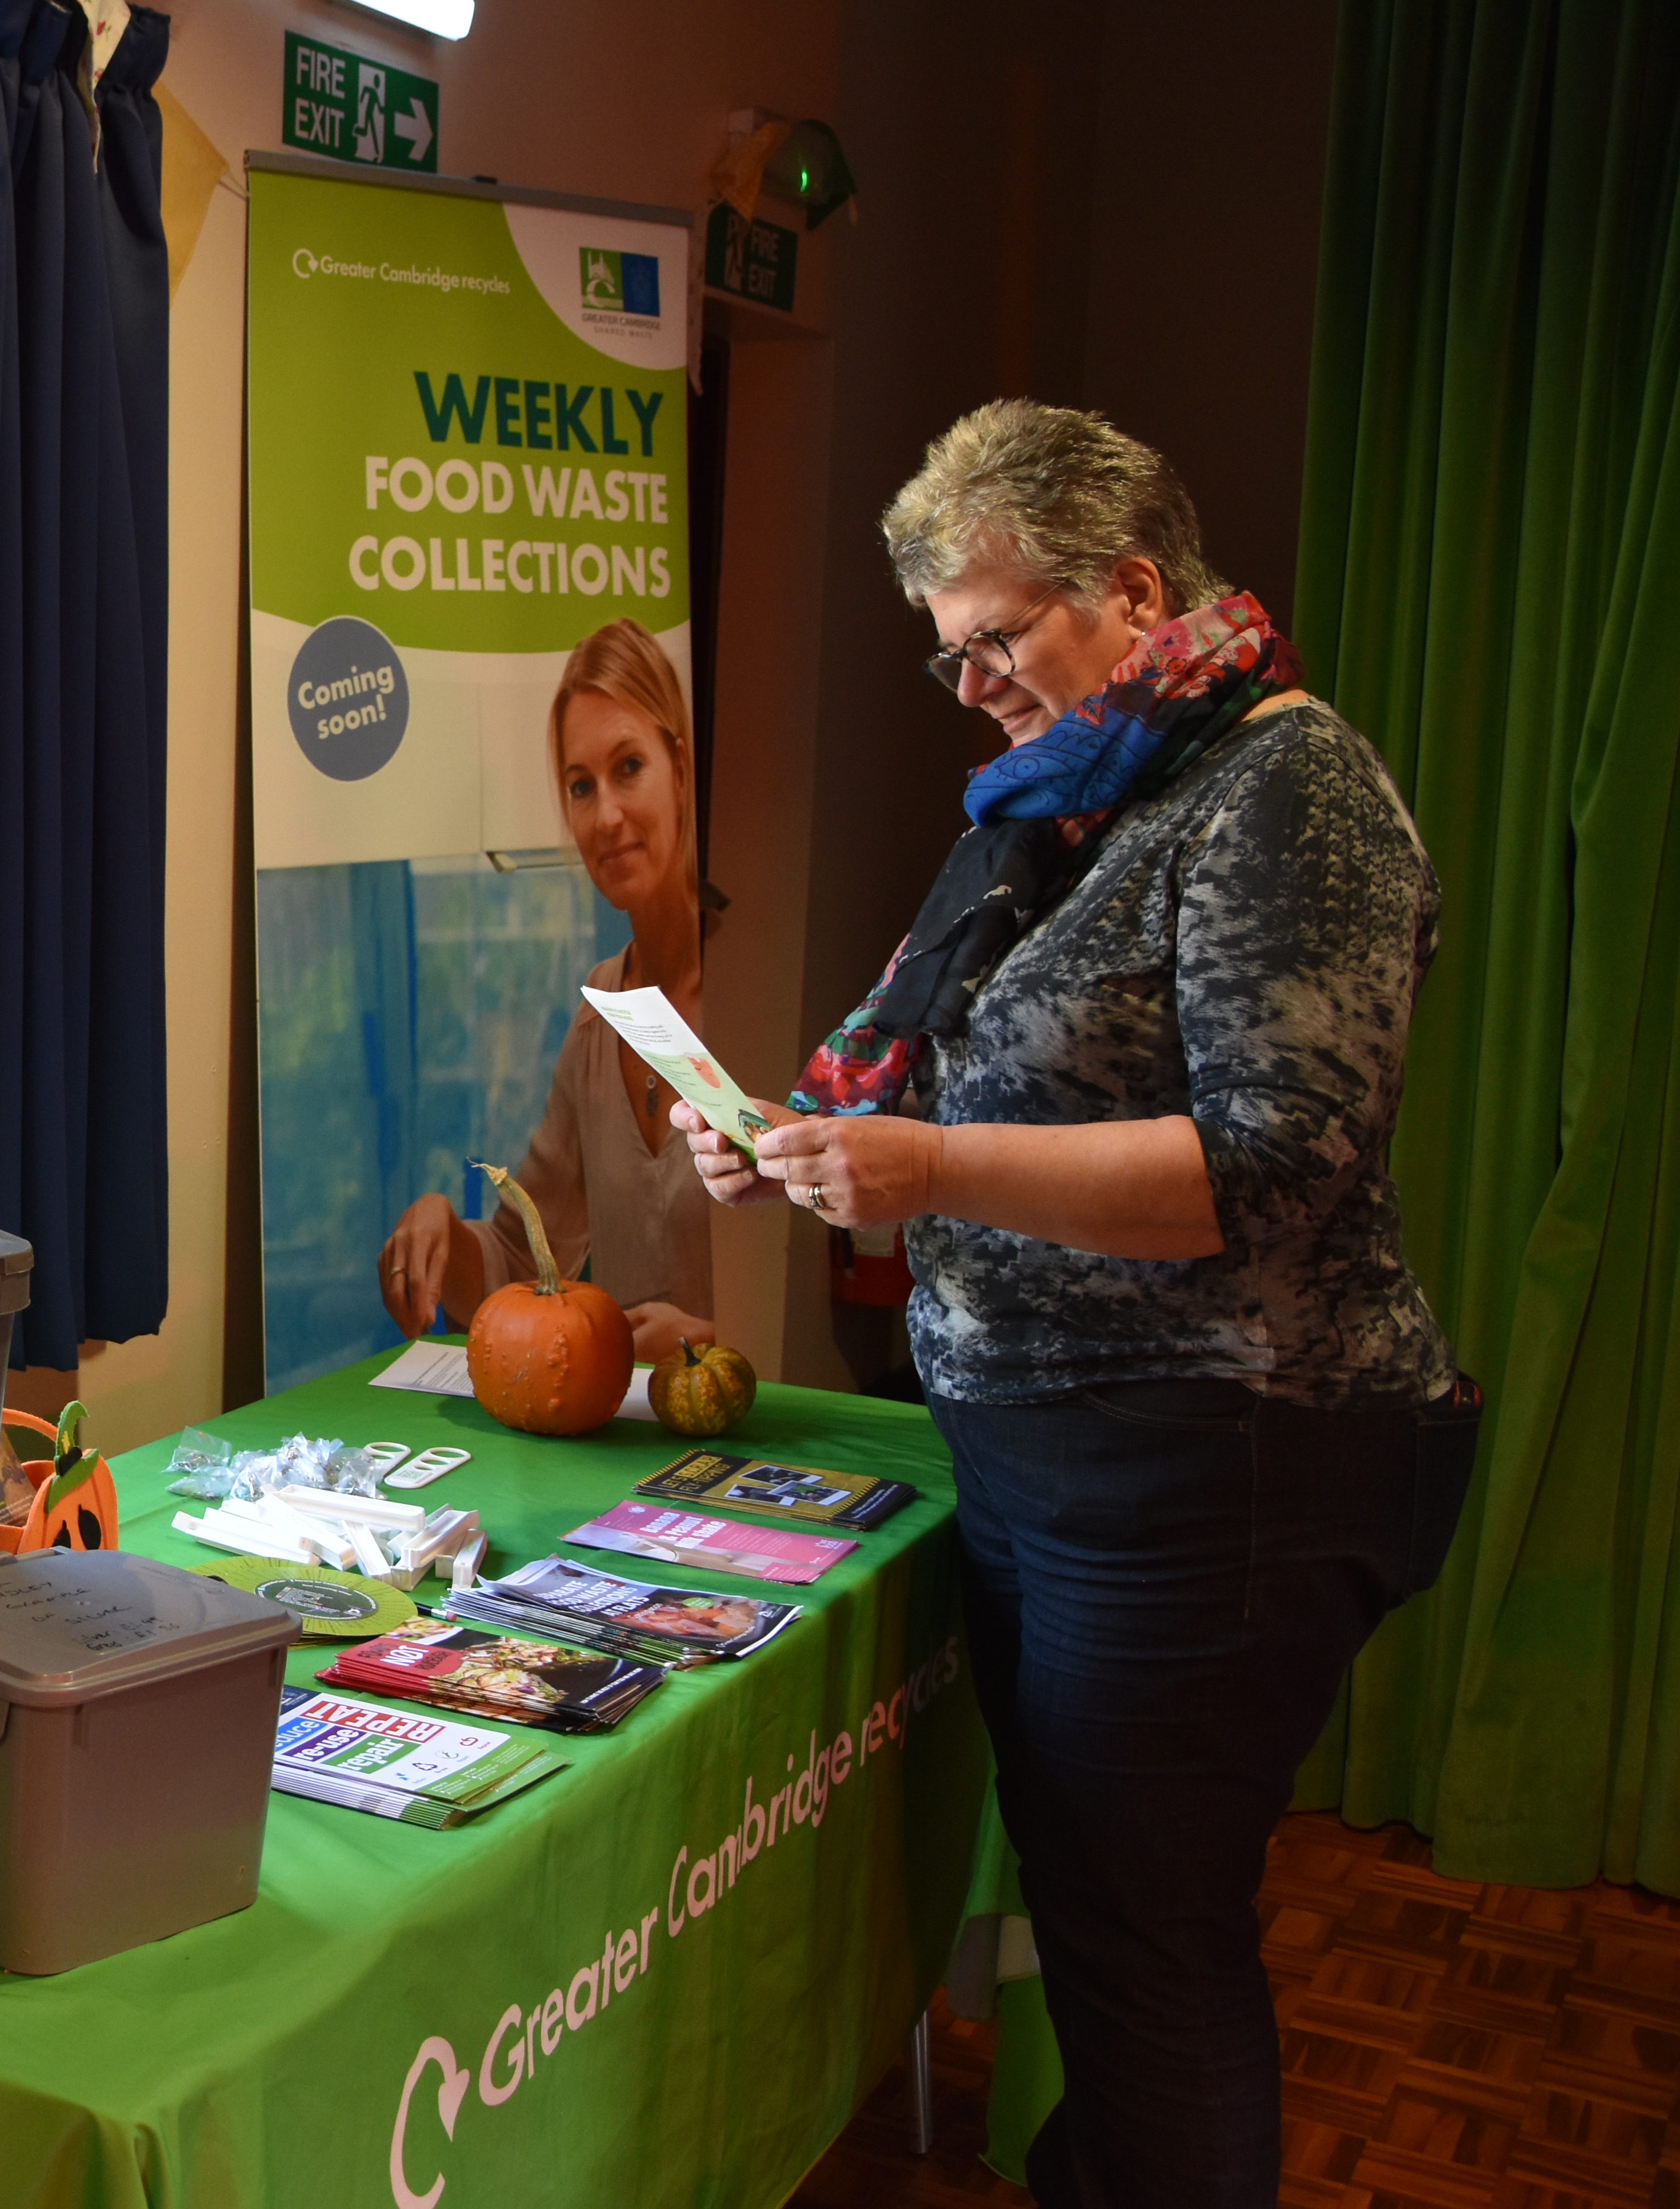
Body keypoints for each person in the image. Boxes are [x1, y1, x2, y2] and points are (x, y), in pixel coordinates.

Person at [683, 401, 1473, 2208]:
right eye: (942, 656)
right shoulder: (1075, 804)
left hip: (1226, 1453)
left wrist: (927, 1169)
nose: (962, 690)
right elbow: (964, 1081)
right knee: (1107, 1913)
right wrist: (813, 1144)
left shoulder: (1291, 786)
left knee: (1144, 1938)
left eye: (991, 641)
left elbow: (1269, 1162)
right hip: (1071, 1457)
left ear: (1127, 592)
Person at [380, 617, 716, 1356]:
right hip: (636, 1458)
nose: (608, 815)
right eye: (580, 786)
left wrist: (718, 1343)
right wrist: (440, 1228)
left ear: (681, 770)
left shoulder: (760, 990)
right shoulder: (603, 1009)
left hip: (781, 1459)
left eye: (629, 767)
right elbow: (526, 1261)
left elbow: (845, 1225)